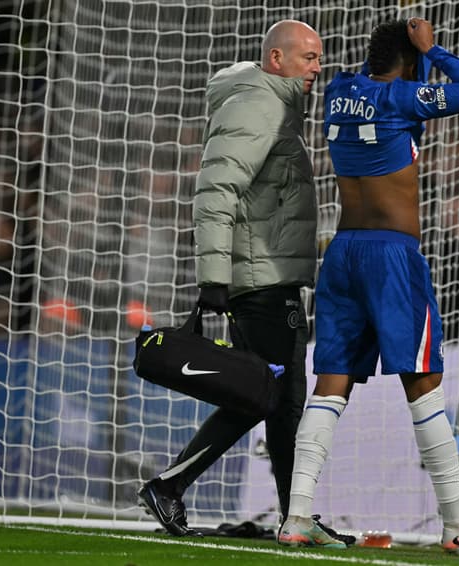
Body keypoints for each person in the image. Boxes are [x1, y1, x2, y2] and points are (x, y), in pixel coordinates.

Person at [276, 18, 459, 551]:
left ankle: (296, 517)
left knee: (330, 383)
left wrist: (407, 54)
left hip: (341, 255)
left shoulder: (338, 92)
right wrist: (433, 52)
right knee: (423, 382)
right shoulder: (404, 98)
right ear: (410, 65)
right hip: (393, 257)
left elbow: (369, 78)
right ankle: (457, 524)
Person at [138, 20, 323, 537]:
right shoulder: (260, 104)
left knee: (280, 401)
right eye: (307, 57)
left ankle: (295, 516)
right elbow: (216, 193)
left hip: (270, 273)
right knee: (266, 395)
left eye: (318, 57)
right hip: (259, 278)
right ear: (275, 59)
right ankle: (171, 484)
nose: (316, 66)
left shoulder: (272, 104)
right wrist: (213, 281)